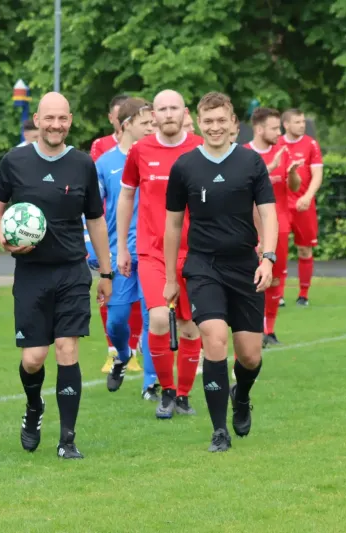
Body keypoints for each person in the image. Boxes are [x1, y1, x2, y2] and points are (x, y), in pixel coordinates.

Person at [0, 92, 112, 460]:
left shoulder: (82, 164)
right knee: (33, 359)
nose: (55, 125)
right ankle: (33, 407)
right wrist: (4, 240)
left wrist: (105, 271)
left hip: (72, 270)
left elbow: (96, 221)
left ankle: (67, 439)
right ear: (38, 120)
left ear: (70, 120)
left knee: (67, 349)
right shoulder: (15, 161)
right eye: (49, 118)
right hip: (31, 274)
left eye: (62, 119)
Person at [163, 91, 277, 452]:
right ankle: (218, 431)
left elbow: (269, 213)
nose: (214, 127)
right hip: (203, 267)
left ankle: (241, 394)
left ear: (233, 124)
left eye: (221, 120)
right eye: (207, 121)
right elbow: (173, 225)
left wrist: (268, 258)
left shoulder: (251, 163)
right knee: (213, 338)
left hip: (245, 266)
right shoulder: (184, 167)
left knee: (250, 355)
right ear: (197, 123)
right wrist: (170, 278)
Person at [117, 89, 203, 418]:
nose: (168, 114)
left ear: (184, 113)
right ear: (154, 114)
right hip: (152, 253)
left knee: (190, 327)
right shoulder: (140, 151)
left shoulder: (199, 148)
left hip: (194, 253)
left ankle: (183, 395)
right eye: (162, 109)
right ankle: (165, 391)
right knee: (157, 319)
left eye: (174, 108)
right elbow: (126, 197)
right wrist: (123, 246)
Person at [95, 97, 156, 397]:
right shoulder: (105, 163)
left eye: (153, 123)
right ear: (127, 124)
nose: (152, 128)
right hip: (120, 254)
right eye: (146, 123)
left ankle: (150, 383)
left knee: (151, 317)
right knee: (117, 320)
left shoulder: (158, 158)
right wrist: (98, 252)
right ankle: (123, 354)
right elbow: (91, 211)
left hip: (154, 252)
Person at [245, 108, 302, 347]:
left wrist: (293, 173)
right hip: (250, 227)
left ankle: (269, 329)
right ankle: (254, 328)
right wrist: (268, 169)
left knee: (275, 278)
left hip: (280, 225)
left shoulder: (283, 152)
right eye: (274, 128)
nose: (279, 132)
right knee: (251, 278)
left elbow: (295, 187)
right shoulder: (244, 154)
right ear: (259, 129)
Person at [278, 109, 323, 307]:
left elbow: (317, 174)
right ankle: (277, 294)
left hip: (304, 206)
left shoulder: (311, 145)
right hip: (281, 207)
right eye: (297, 122)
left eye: (303, 121)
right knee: (279, 251)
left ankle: (303, 294)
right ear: (286, 125)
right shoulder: (277, 144)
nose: (302, 125)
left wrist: (308, 196)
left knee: (305, 250)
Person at [90, 94, 129, 162]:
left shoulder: (142, 143)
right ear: (111, 118)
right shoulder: (100, 144)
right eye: (120, 119)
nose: (125, 122)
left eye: (127, 118)